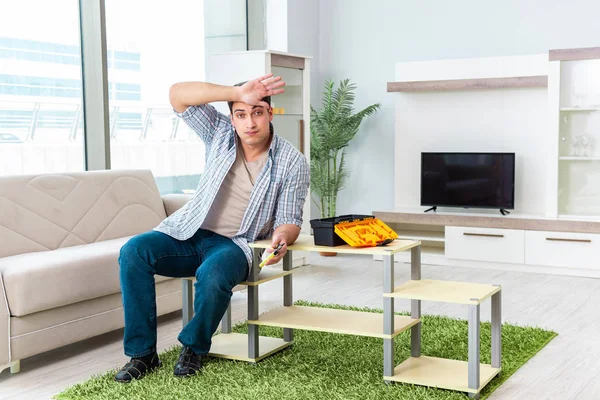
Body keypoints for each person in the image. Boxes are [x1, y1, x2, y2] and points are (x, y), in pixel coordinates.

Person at [114, 74, 310, 382]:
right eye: (241, 114)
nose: (250, 123)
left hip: (236, 245)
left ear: (270, 114)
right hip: (189, 233)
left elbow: (289, 219)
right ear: (232, 118)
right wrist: (236, 92)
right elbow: (177, 94)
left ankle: (193, 347)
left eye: (257, 112)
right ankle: (142, 354)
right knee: (133, 252)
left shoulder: (292, 161)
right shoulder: (219, 132)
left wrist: (281, 239)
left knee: (213, 274)